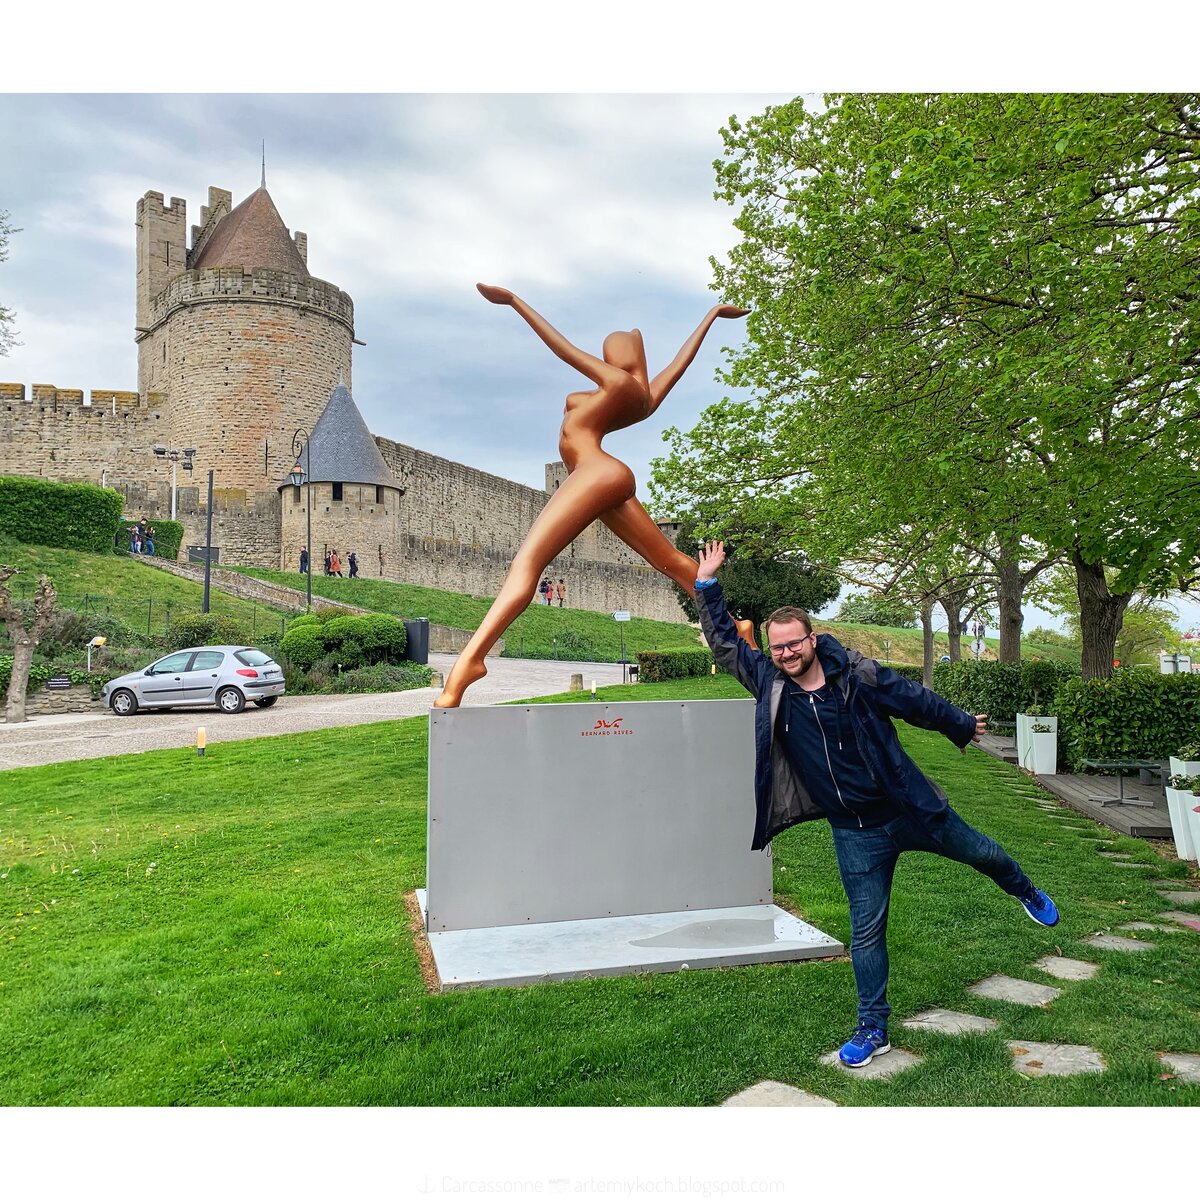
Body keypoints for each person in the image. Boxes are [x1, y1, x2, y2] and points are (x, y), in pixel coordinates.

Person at [693, 540, 1059, 1069]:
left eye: (793, 645)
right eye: (777, 648)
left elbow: (914, 699)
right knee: (865, 930)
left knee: (982, 853)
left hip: (910, 810)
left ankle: (1024, 888)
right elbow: (727, 645)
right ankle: (873, 1027)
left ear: (812, 639)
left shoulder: (859, 677)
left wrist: (959, 723)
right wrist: (707, 585)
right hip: (855, 832)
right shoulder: (770, 683)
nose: (785, 655)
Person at [434, 285, 749, 708]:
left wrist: (515, 303)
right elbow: (680, 363)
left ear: (618, 359)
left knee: (525, 564)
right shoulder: (643, 395)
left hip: (595, 471)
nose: (603, 358)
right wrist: (709, 317)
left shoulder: (615, 381)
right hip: (607, 475)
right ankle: (735, 626)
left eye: (608, 352)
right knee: (670, 562)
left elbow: (560, 347)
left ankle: (470, 662)